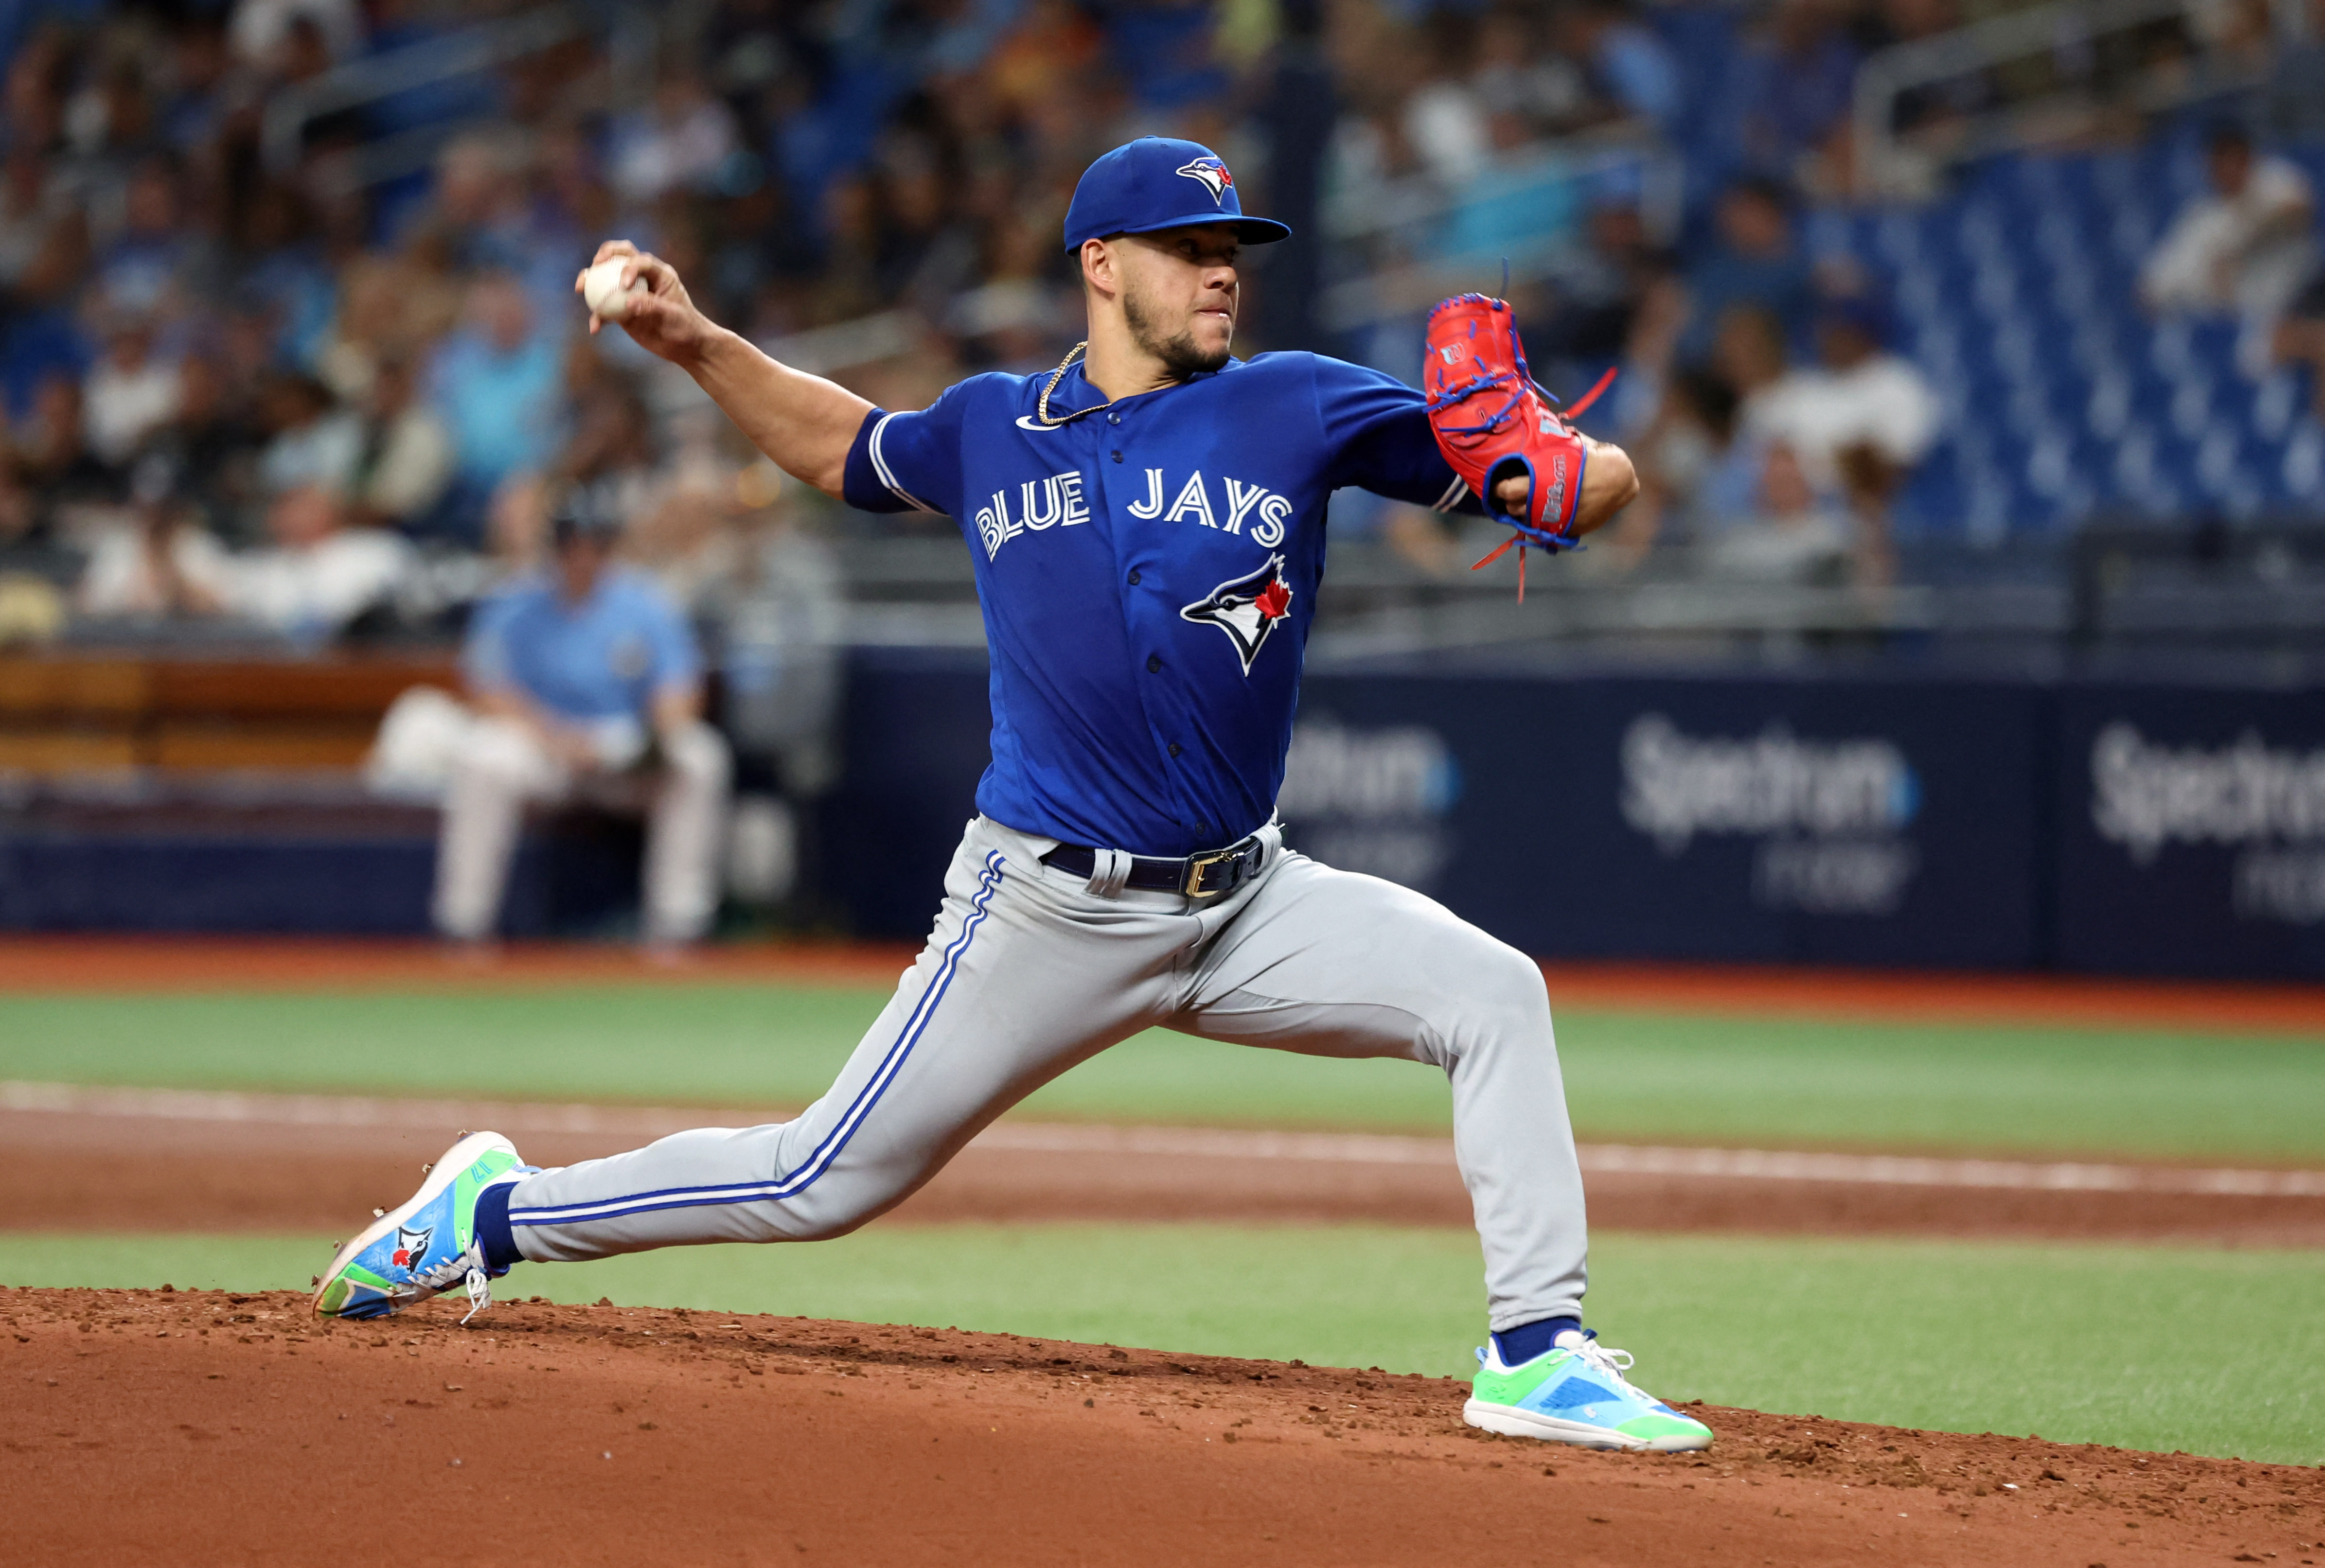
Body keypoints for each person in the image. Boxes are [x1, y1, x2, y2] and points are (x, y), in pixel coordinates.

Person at [314, 137, 1707, 1455]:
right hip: (1042, 907)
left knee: (1493, 995)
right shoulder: (993, 426)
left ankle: (1537, 1353)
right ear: (1100, 263)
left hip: (1246, 898)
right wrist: (694, 344)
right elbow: (838, 447)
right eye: (1187, 245)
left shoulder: (1295, 400)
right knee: (818, 1182)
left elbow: (1580, 490)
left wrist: (1565, 467)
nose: (1221, 269)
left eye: (1233, 246)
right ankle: (494, 1216)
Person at [428, 490, 730, 949]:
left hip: (621, 748)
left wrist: (652, 739)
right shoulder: (515, 603)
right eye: (573, 543)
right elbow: (489, 691)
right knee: (483, 758)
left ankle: (677, 926)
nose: (583, 555)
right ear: (556, 547)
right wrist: (555, 737)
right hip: (544, 746)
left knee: (700, 757)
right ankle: (464, 924)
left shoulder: (644, 603)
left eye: (595, 543)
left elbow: (680, 692)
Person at [2140, 123, 2317, 377]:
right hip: (2213, 325)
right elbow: (2150, 291)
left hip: (2284, 310)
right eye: (2219, 161)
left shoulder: (2272, 182)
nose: (2227, 169)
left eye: (2235, 159)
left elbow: (2297, 213)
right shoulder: (2201, 217)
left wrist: (2240, 251)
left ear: (2249, 158)